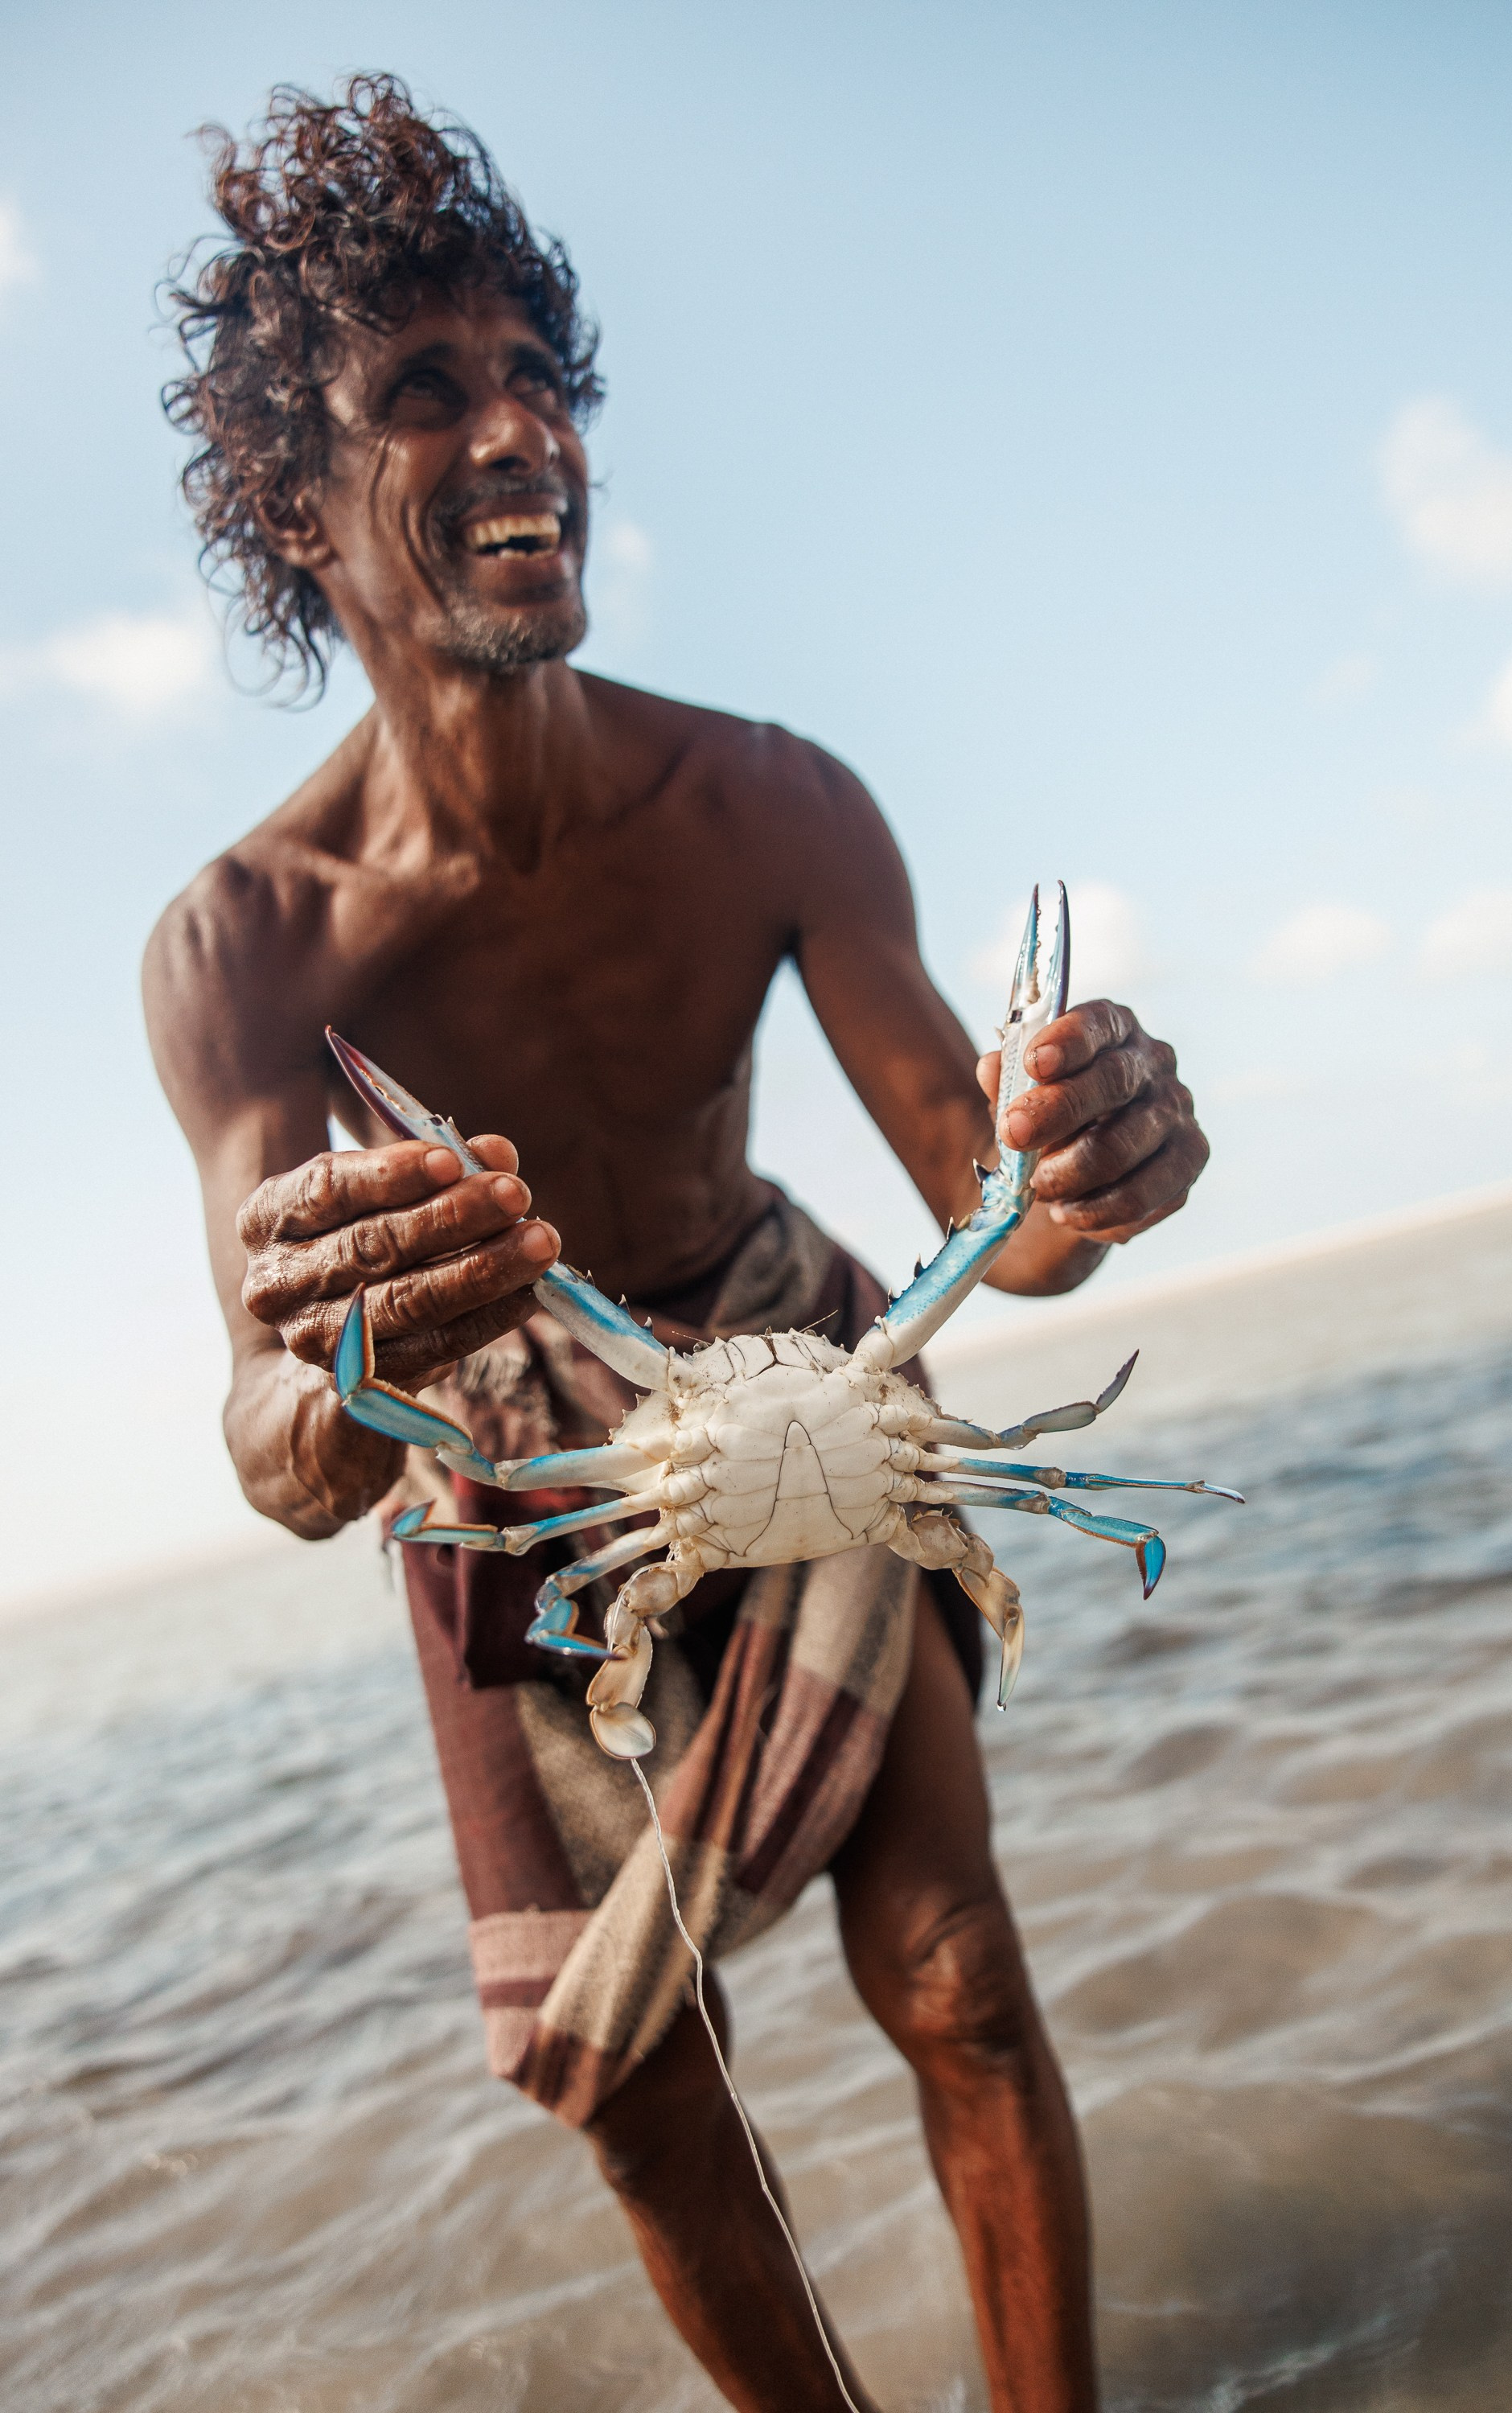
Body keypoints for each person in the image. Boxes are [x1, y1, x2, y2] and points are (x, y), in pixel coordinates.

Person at [143, 76, 1209, 2413]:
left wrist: (1088, 1157)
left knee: (955, 1973)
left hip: (791, 1361)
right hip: (515, 1468)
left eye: (539, 373)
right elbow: (270, 1433)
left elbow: (993, 1213)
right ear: (295, 508)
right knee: (634, 2080)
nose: (517, 426)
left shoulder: (772, 802)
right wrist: (335, 1368)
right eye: (424, 389)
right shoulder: (243, 950)